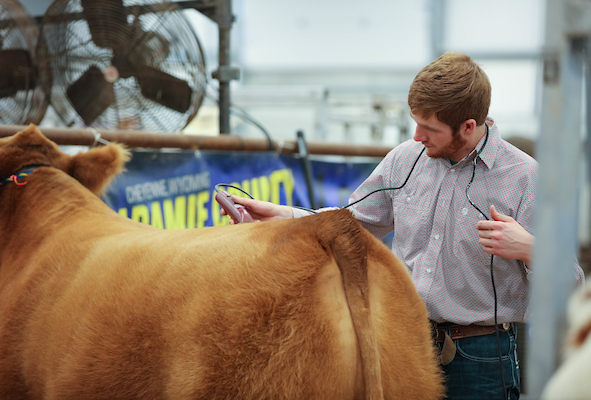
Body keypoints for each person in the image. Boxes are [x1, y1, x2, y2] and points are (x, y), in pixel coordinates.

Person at [220, 52, 585, 399]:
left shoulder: (525, 178)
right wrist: (283, 216)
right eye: (416, 123)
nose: (416, 136)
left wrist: (529, 249)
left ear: (468, 127)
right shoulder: (405, 159)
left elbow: (571, 283)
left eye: (428, 128)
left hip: (483, 356)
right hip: (403, 339)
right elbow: (354, 223)